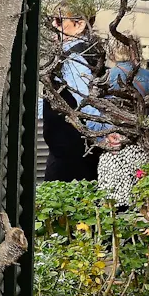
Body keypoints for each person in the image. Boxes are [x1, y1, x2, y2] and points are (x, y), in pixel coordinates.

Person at [95, 42, 149, 207]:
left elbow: (98, 112)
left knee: (112, 201)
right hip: (141, 143)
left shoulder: (107, 77)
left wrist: (104, 135)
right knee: (142, 197)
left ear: (114, 53)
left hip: (114, 143)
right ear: (136, 50)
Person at [42, 12, 103, 182]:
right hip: (74, 151)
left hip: (70, 156)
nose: (54, 25)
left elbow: (87, 102)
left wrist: (102, 138)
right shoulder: (84, 52)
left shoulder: (74, 57)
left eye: (59, 20)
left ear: (80, 25)